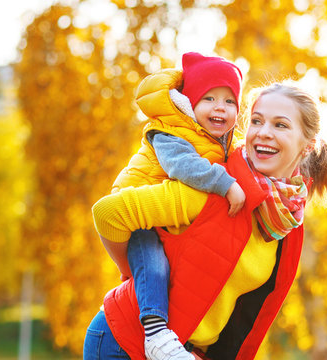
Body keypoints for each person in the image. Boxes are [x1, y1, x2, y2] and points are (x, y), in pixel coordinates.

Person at [84, 82, 327, 360]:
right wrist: (138, 277)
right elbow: (108, 212)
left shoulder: (286, 220)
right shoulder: (212, 186)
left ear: (308, 145)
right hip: (124, 343)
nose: (264, 133)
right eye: (256, 121)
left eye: (280, 125)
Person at [104, 52, 246, 360]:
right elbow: (182, 166)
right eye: (209, 98)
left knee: (163, 267)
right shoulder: (171, 130)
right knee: (153, 262)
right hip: (140, 207)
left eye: (229, 101)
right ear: (189, 104)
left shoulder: (219, 141)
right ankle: (155, 333)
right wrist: (226, 184)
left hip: (162, 214)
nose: (220, 107)